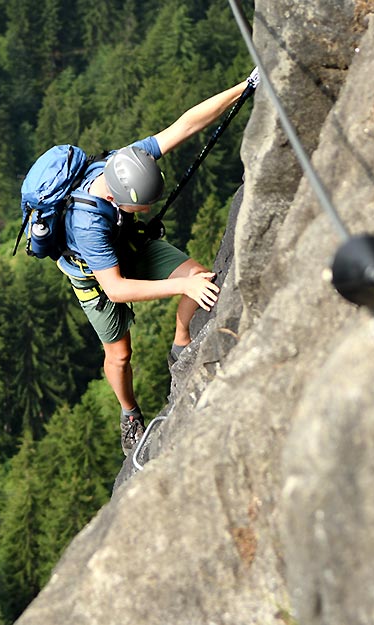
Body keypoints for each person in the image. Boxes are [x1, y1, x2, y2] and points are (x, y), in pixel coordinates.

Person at [57, 69, 259, 456]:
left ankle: (180, 342)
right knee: (119, 354)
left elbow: (185, 124)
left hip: (127, 243)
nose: (147, 210)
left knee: (201, 276)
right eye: (142, 206)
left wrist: (245, 86)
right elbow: (115, 288)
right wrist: (181, 286)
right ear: (117, 201)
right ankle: (129, 413)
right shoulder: (87, 225)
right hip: (94, 275)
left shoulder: (125, 162)